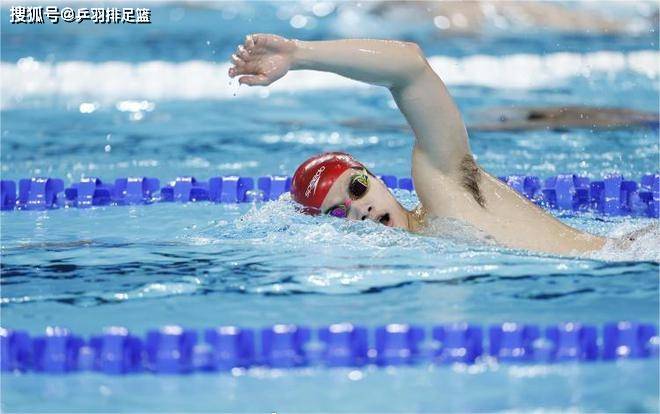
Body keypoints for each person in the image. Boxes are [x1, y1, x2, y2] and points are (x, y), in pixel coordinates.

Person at [228, 33, 607, 255]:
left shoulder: (445, 190)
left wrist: (299, 54)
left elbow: (410, 68)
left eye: (356, 189)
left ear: (373, 177)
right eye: (338, 214)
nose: (359, 211)